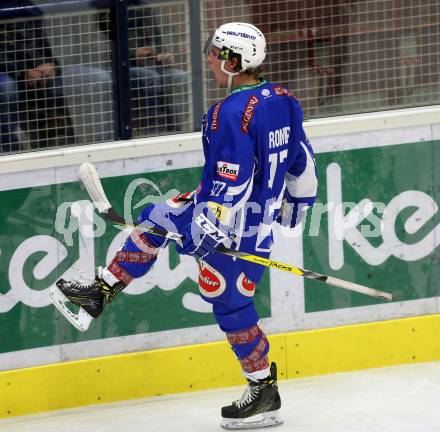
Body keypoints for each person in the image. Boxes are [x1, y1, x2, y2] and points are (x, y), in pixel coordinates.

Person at [55, 22, 317, 429]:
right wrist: (298, 206)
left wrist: (209, 227)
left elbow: (233, 178)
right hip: (254, 222)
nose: (209, 59)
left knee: (230, 305)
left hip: (230, 223)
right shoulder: (283, 99)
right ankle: (101, 290)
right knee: (159, 218)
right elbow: (301, 159)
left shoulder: (226, 114)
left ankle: (262, 388)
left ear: (234, 61)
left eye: (215, 53)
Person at [96, 2, 189, 134]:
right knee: (150, 77)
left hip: (152, 65)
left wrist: (163, 55)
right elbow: (103, 45)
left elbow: (160, 40)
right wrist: (133, 54)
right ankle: (154, 131)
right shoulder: (106, 9)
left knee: (181, 77)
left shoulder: (146, 8)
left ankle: (179, 129)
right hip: (119, 68)